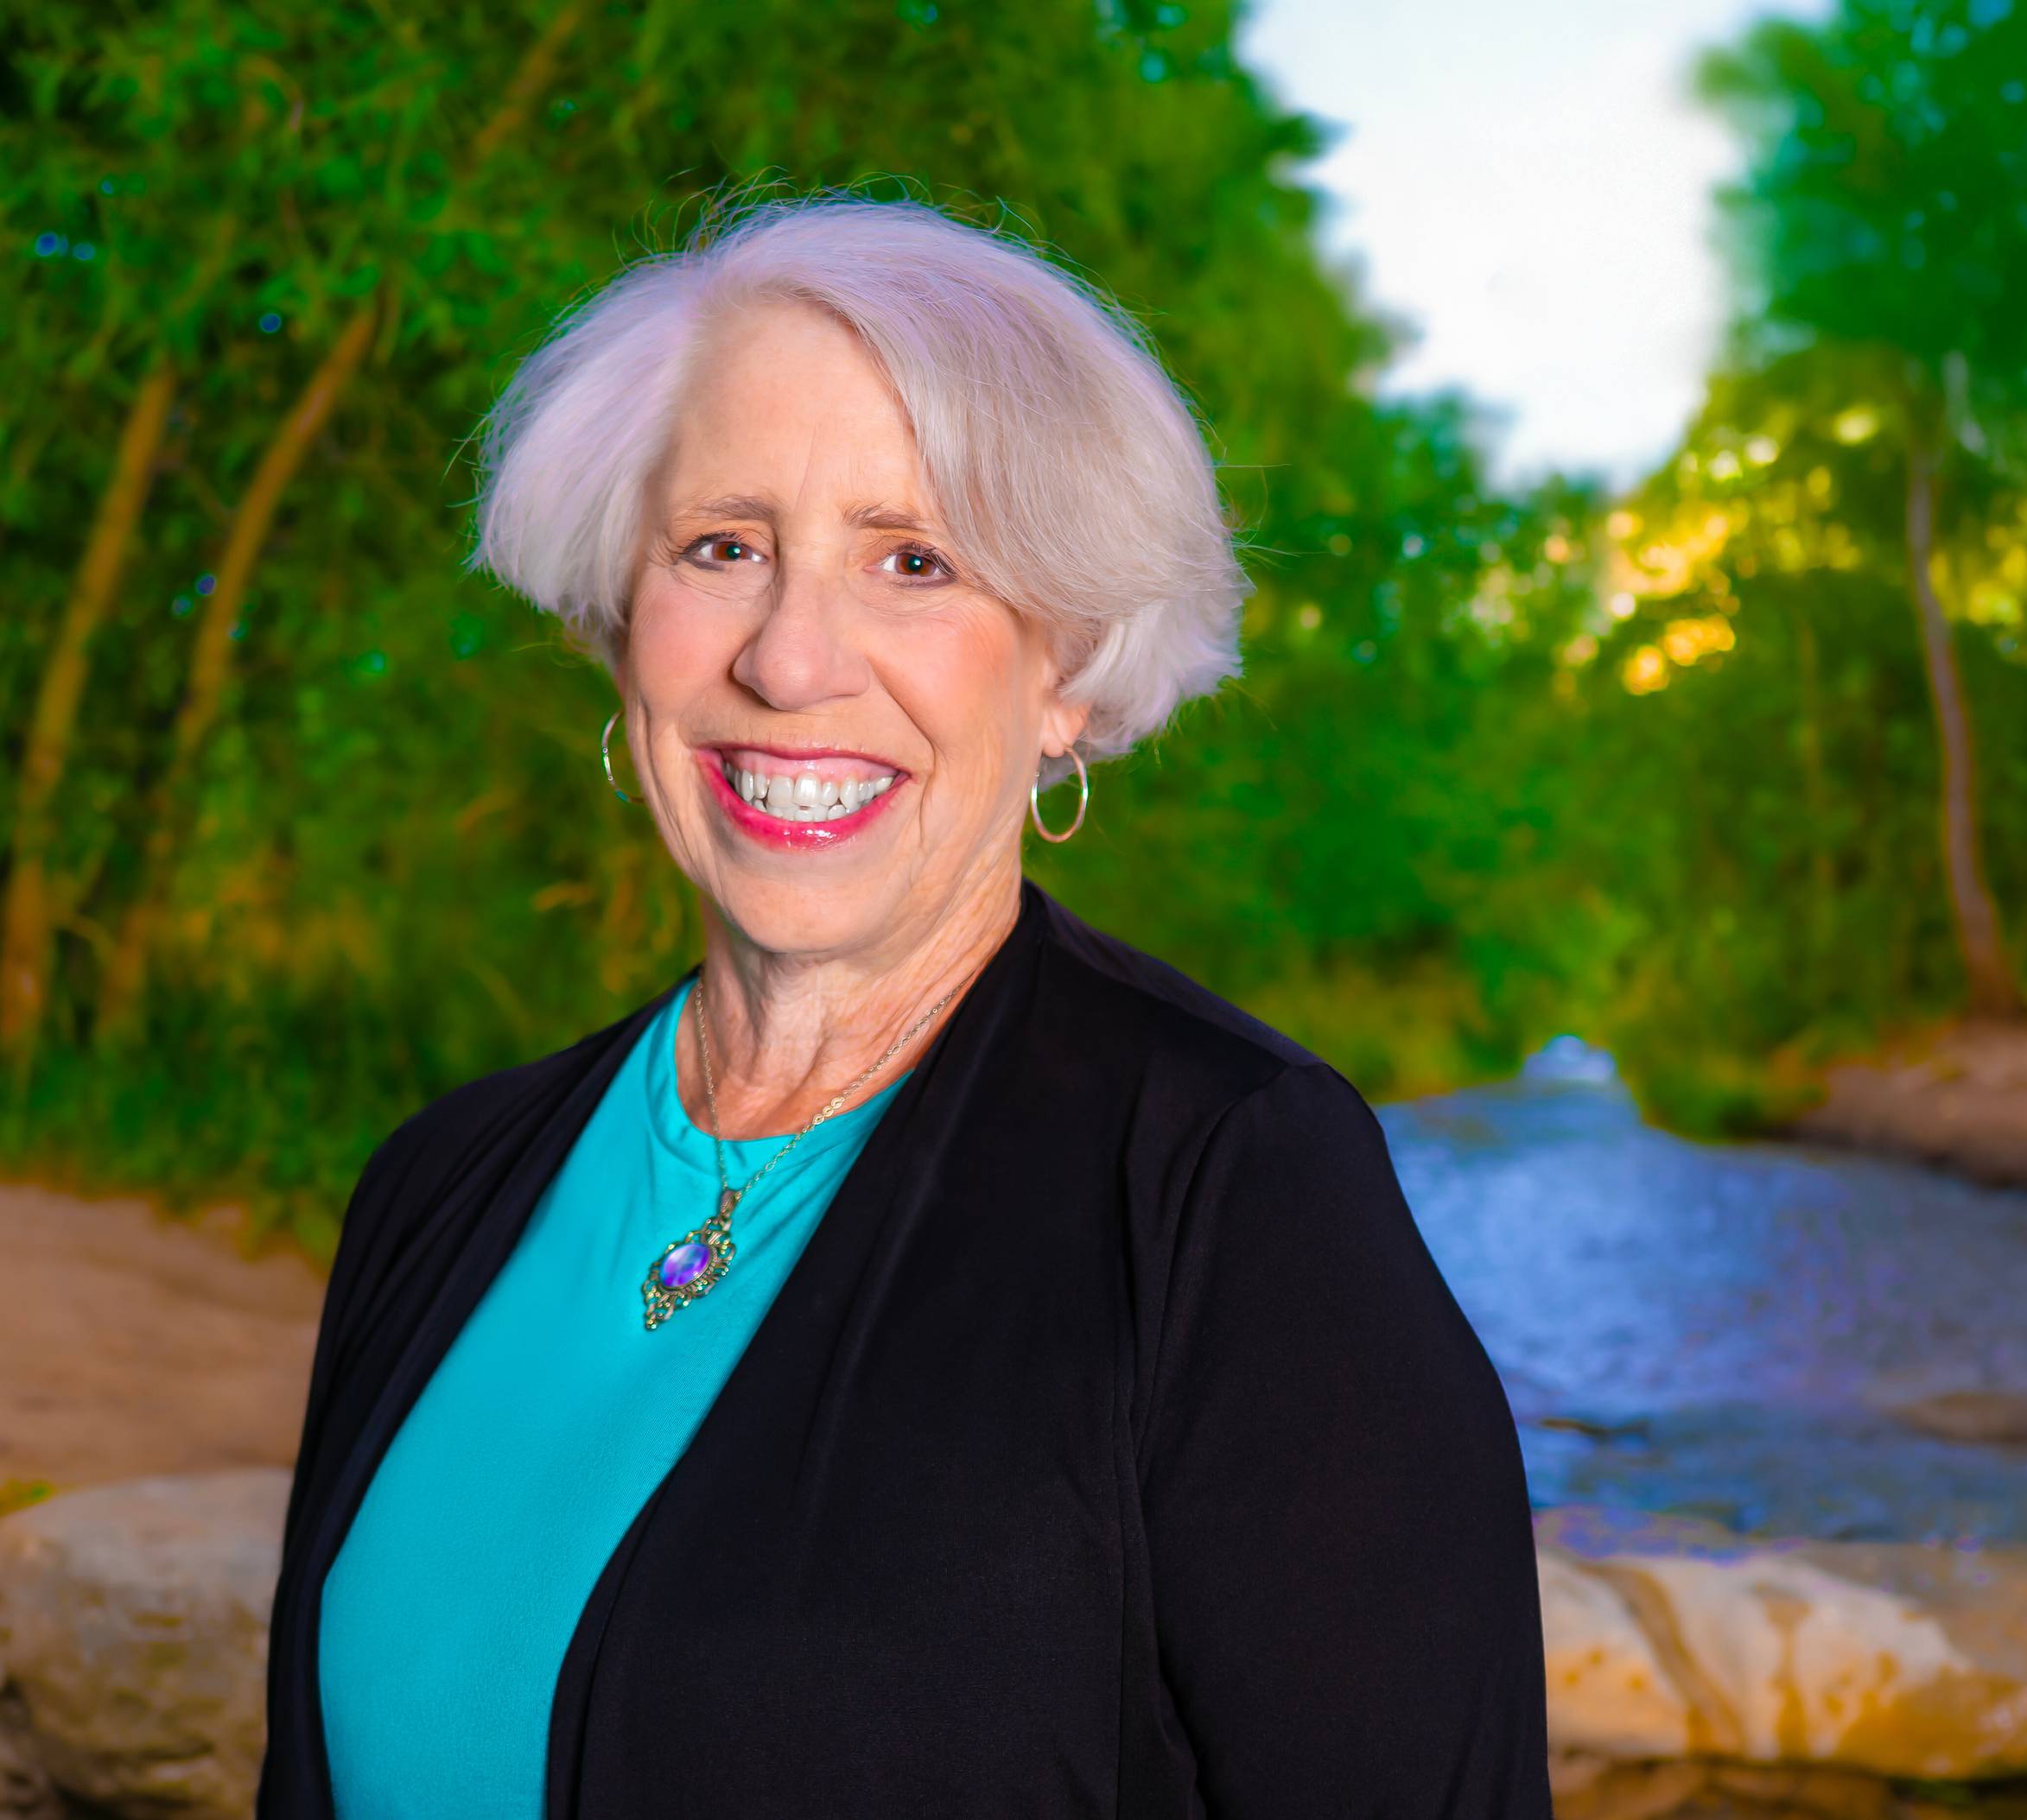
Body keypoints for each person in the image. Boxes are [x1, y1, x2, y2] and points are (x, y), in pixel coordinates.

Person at [259, 192, 1551, 1819]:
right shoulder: (437, 1187)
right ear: (618, 620)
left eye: (914, 561)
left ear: (1066, 667)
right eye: (724, 548)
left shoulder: (1231, 1192)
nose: (792, 661)